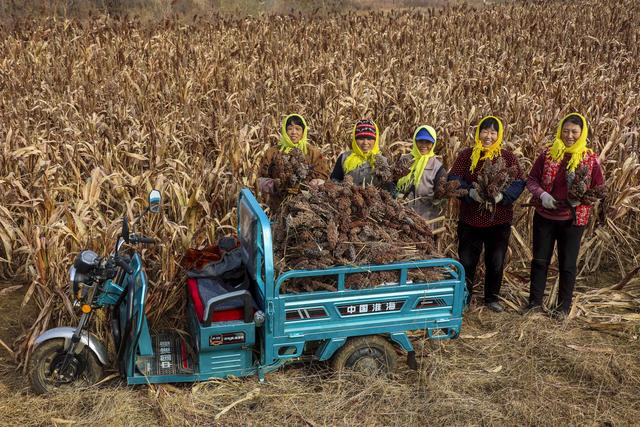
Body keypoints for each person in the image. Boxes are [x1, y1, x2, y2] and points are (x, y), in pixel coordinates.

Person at [526, 113, 605, 318]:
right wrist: (542, 195)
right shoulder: (548, 154)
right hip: (545, 216)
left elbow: (599, 187)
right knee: (540, 261)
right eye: (566, 131)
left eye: (575, 132)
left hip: (572, 220)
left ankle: (563, 308)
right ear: (560, 130)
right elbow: (532, 179)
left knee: (567, 264)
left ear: (582, 133)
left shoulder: (589, 159)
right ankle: (534, 303)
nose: (569, 135)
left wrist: (583, 199)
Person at [448, 116, 525, 312]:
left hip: (497, 221)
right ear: (478, 133)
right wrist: (470, 193)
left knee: (496, 261)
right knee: (466, 261)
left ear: (499, 135)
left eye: (493, 132)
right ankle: (465, 297)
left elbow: (518, 182)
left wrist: (501, 197)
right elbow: (454, 178)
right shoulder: (467, 155)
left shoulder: (507, 158)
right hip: (470, 219)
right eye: (485, 131)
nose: (488, 136)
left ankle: (492, 298)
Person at [257, 114, 329, 211]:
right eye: (290, 128)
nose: (293, 132)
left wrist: (312, 184)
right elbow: (259, 180)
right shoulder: (272, 152)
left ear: (303, 132)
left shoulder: (313, 153)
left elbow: (323, 177)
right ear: (285, 131)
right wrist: (275, 184)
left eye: (297, 129)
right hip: (278, 206)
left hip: (307, 207)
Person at [395, 125, 447, 220]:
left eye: (428, 142)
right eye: (420, 141)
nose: (424, 145)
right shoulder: (404, 160)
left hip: (425, 221)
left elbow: (441, 197)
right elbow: (392, 182)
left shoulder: (438, 168)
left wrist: (439, 199)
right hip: (400, 218)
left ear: (433, 143)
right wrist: (396, 194)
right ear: (415, 141)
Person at [330, 119, 392, 190]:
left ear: (375, 140)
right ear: (355, 140)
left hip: (376, 200)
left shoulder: (383, 161)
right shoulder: (344, 158)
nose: (365, 142)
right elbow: (334, 182)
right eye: (361, 139)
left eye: (369, 139)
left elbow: (389, 187)